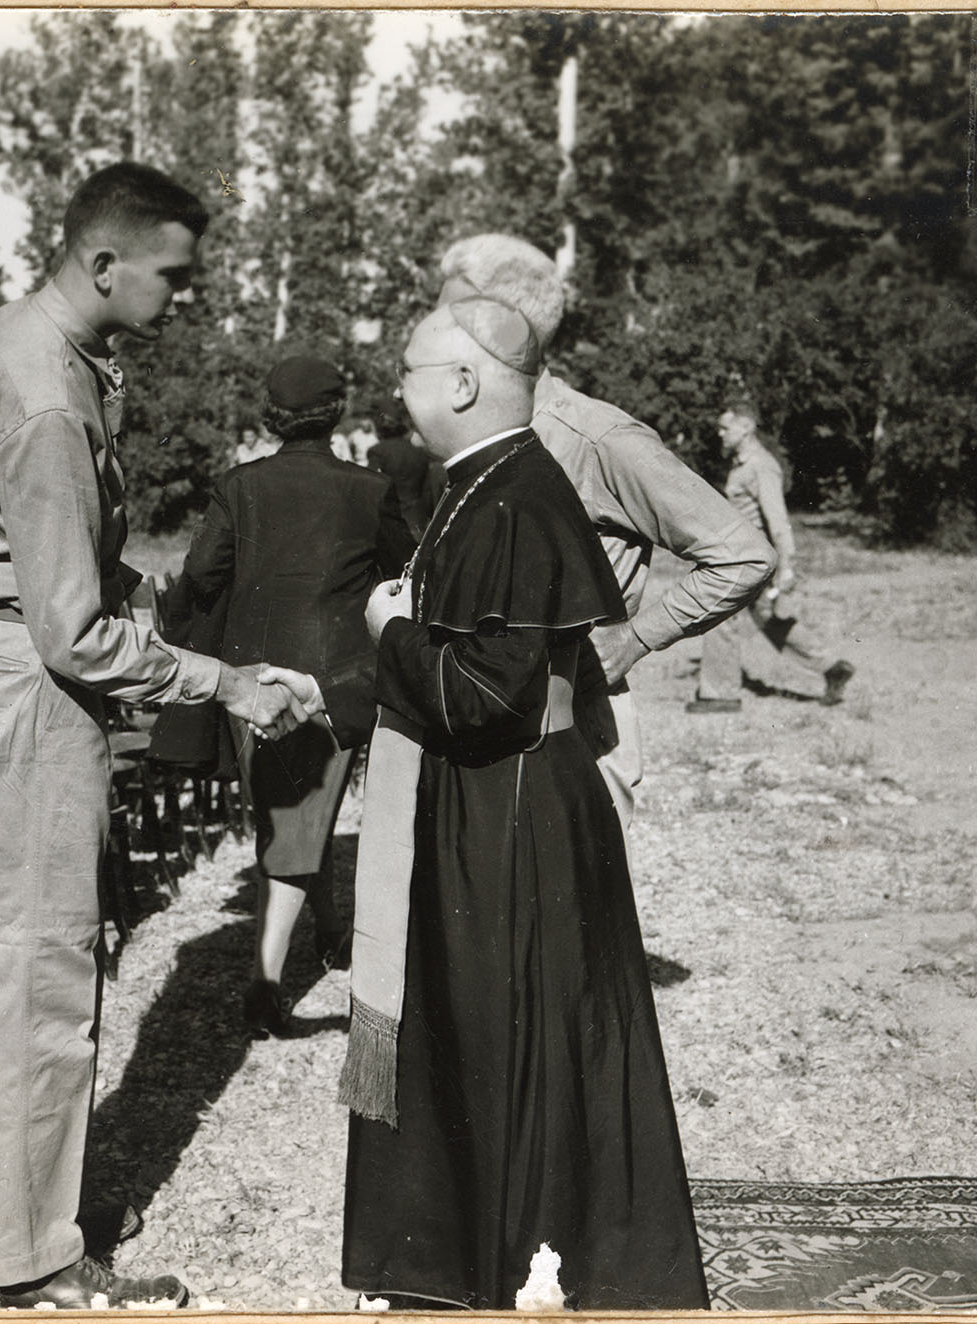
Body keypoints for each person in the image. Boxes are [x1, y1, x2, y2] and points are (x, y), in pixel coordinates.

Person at [0, 161, 314, 1310]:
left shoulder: (21, 341)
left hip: (6, 663)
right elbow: (72, 634)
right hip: (32, 685)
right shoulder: (49, 392)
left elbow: (58, 563)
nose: (183, 296)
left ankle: (9, 1215)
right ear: (102, 262)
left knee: (22, 960)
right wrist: (227, 681)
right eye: (172, 276)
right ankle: (34, 1259)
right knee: (38, 971)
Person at [329, 298, 707, 1309]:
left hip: (511, 811)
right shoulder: (485, 483)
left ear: (460, 383)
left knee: (516, 1048)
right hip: (493, 801)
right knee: (486, 1043)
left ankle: (521, 1260)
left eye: (409, 370)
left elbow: (481, 693)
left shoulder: (512, 493)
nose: (397, 389)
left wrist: (384, 631)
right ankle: (472, 1252)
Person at [435, 234, 774, 826]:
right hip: (478, 718)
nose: (433, 333)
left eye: (450, 316)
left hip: (571, 728)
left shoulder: (595, 437)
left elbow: (742, 553)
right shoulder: (463, 436)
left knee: (575, 913)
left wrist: (635, 638)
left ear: (509, 330)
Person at [177, 354, 415, 1037]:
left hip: (251, 682)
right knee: (302, 817)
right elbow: (404, 572)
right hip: (333, 679)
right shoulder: (369, 490)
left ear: (271, 416)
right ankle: (280, 971)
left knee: (293, 818)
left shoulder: (238, 486)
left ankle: (294, 961)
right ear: (336, 413)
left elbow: (199, 573)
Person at [690, 397, 854, 711]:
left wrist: (787, 566)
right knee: (769, 619)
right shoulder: (742, 465)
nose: (720, 434)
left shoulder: (761, 466)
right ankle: (832, 667)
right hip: (745, 556)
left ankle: (720, 694)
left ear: (746, 427)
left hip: (748, 559)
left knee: (719, 613)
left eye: (725, 428)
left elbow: (778, 522)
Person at [364, 398, 441, 539]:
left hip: (394, 523)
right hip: (420, 521)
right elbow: (428, 491)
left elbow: (372, 491)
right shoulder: (418, 450)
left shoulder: (378, 452)